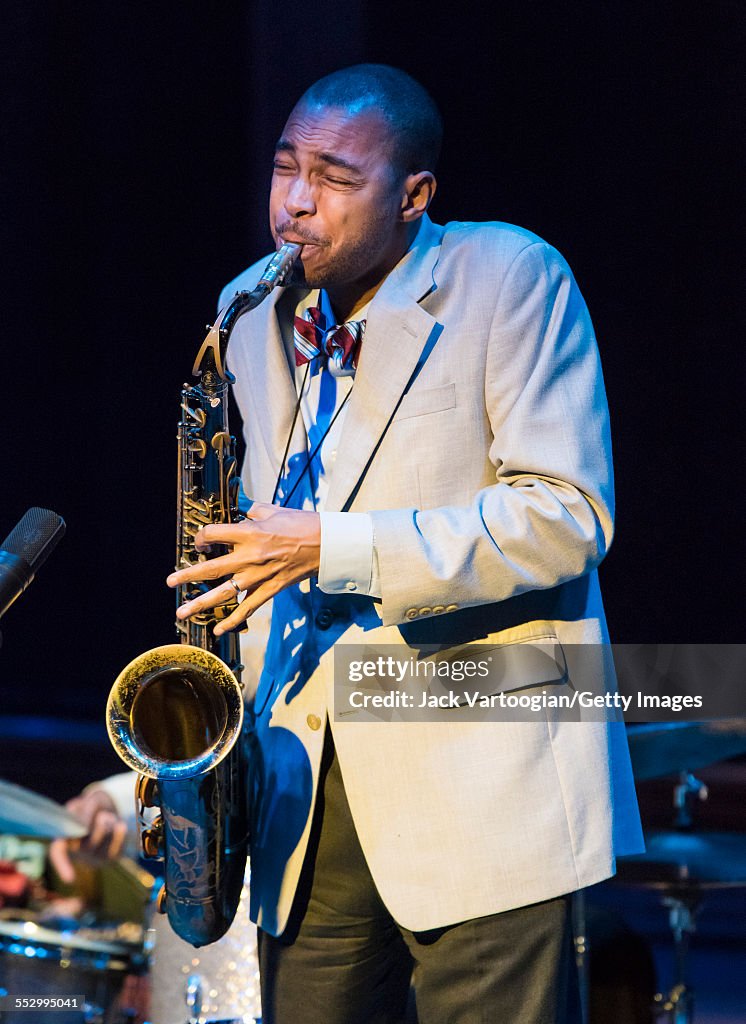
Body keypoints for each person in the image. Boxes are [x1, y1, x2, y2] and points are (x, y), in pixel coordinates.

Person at [162, 63, 644, 1024]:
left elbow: (566, 513)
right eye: (285, 168)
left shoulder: (508, 276)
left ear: (415, 196)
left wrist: (333, 549)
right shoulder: (251, 311)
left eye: (335, 179)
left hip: (482, 777)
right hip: (306, 788)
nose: (296, 205)